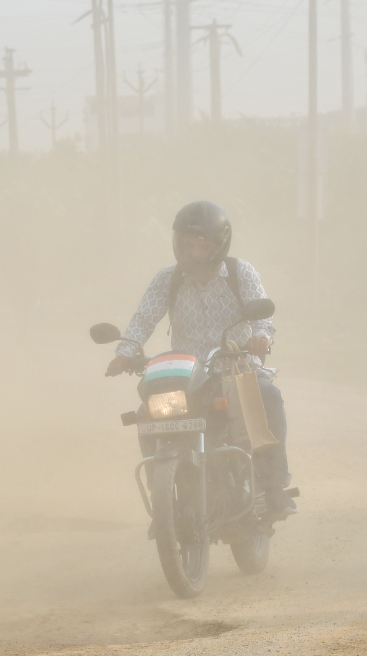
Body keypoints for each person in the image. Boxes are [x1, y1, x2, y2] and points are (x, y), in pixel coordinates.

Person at [105, 201, 296, 518]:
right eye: (187, 244)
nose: (194, 252)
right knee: (145, 415)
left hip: (236, 369)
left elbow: (263, 314)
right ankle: (162, 501)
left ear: (219, 243)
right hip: (187, 376)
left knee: (269, 396)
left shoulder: (240, 272)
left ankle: (274, 487)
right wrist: (125, 352)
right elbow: (142, 320)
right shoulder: (168, 278)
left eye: (202, 244)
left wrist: (261, 337)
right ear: (177, 244)